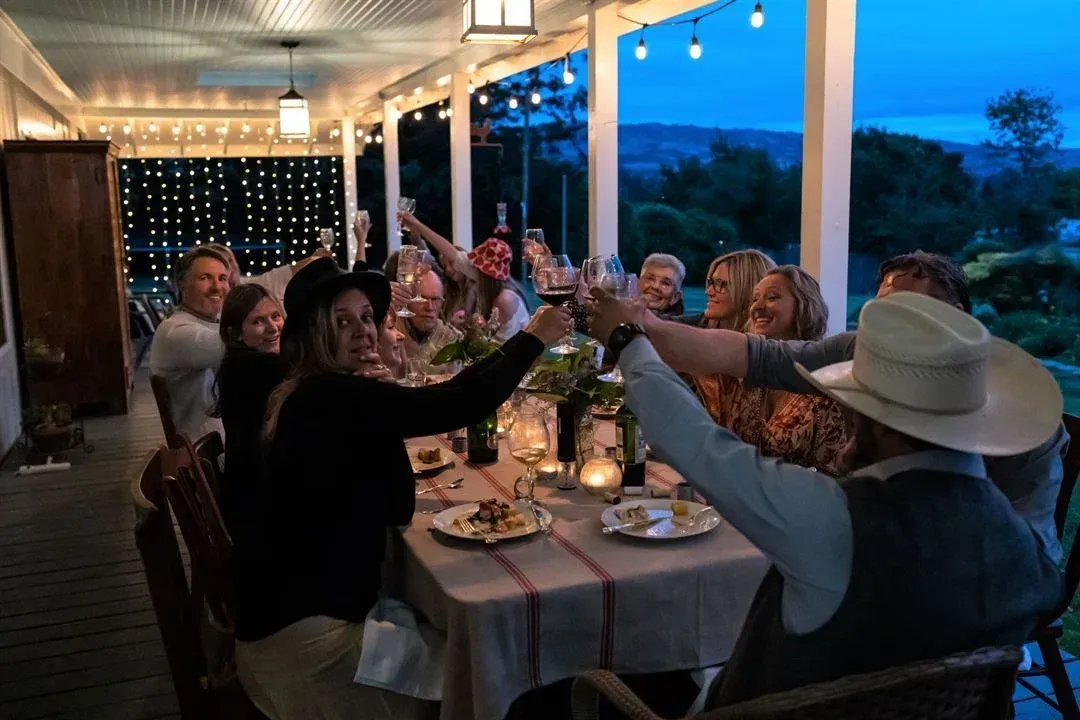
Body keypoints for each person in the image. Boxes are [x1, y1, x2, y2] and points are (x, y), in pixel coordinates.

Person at [587, 288, 1063, 707]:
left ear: (877, 421)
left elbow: (694, 442)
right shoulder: (1021, 547)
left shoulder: (833, 521)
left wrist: (630, 343)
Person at [232, 261, 571, 719]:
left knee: (472, 646)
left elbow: (398, 506)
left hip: (296, 619)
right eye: (342, 321)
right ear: (312, 334)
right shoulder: (330, 398)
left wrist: (385, 406)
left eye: (367, 316)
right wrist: (534, 340)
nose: (363, 331)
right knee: (493, 668)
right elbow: (459, 403)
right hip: (308, 647)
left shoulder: (323, 392)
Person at [634, 250, 1071, 561]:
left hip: (977, 585)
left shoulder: (1021, 425)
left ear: (956, 313)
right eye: (881, 311)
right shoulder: (865, 350)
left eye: (905, 310)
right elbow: (759, 356)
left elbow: (1025, 549)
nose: (887, 326)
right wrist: (641, 327)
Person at [723, 266, 847, 475]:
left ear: (804, 305)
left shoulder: (826, 384)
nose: (758, 307)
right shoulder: (745, 378)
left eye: (772, 297)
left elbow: (835, 475)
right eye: (755, 299)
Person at [213, 284, 286, 536]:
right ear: (235, 334)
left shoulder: (241, 364)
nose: (273, 327)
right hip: (260, 515)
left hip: (256, 497)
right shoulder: (250, 368)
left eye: (275, 316)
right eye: (258, 321)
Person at [397, 212, 530, 340]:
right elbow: (451, 252)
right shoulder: (486, 280)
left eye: (477, 264)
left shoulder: (505, 299)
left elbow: (489, 342)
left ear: (485, 273)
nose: (471, 266)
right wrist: (417, 225)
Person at [677, 250, 776, 421]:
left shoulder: (766, 349)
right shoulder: (701, 329)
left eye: (720, 284)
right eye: (710, 282)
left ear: (747, 290)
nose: (708, 291)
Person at [148, 246, 231, 442]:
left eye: (222, 278)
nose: (217, 287)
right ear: (183, 286)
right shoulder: (176, 332)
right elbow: (239, 346)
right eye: (205, 278)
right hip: (210, 451)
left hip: (222, 438)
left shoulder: (212, 322)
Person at [205, 242, 328, 305]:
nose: (229, 269)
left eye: (230, 261)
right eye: (223, 264)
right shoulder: (212, 303)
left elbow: (286, 273)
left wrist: (316, 258)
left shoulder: (250, 286)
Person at [396, 270, 462, 365]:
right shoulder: (390, 331)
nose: (429, 307)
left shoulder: (450, 338)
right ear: (407, 300)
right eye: (422, 299)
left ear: (442, 303)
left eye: (435, 299)